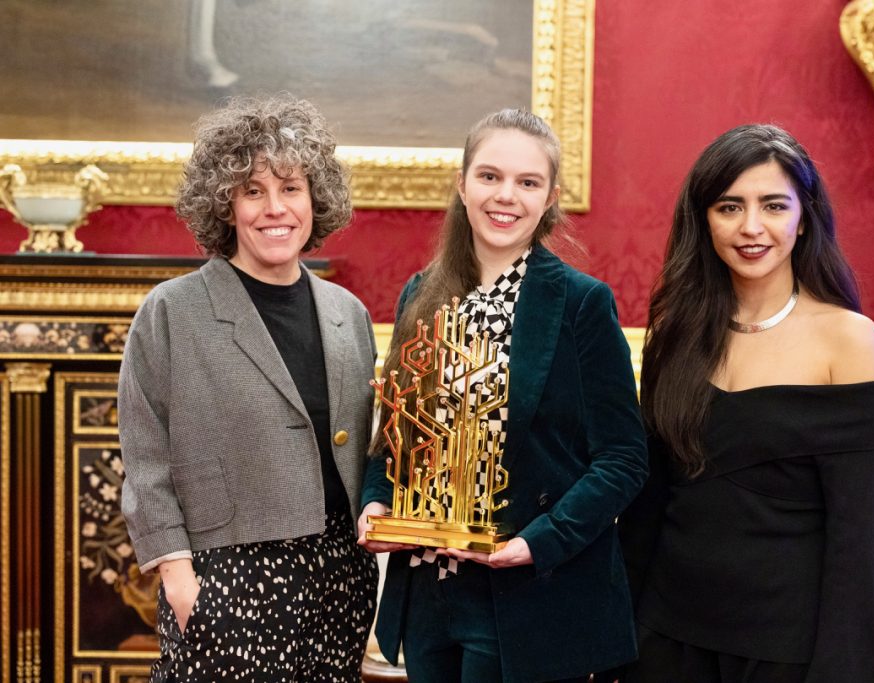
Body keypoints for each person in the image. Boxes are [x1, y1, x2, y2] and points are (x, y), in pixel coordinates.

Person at [358, 108, 648, 683]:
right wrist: (375, 500)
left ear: (549, 198)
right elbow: (399, 434)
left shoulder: (581, 304)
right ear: (462, 185)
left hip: (532, 596)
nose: (505, 195)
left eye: (527, 182)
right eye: (489, 176)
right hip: (429, 596)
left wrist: (538, 543)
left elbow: (623, 459)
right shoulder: (421, 292)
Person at [620, 124, 874, 683]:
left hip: (786, 651)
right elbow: (648, 507)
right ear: (704, 219)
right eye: (729, 206)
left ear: (805, 215)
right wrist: (617, 637)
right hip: (666, 641)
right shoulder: (675, 333)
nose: (751, 227)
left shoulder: (849, 339)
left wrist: (845, 667)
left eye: (773, 205)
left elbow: (860, 534)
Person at [118, 94, 378, 682]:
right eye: (253, 191)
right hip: (225, 579)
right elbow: (145, 457)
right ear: (225, 204)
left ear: (316, 200)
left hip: (340, 581)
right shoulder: (171, 312)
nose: (274, 208)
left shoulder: (349, 313)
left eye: (290, 188)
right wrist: (181, 582)